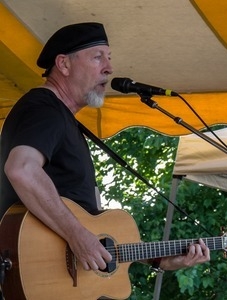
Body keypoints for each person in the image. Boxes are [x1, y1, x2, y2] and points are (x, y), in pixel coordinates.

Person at [0, 22, 210, 294]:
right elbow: (22, 170)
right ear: (63, 64)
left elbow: (93, 232)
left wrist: (158, 259)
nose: (109, 68)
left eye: (109, 58)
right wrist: (77, 236)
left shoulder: (64, 120)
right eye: (98, 56)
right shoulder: (45, 109)